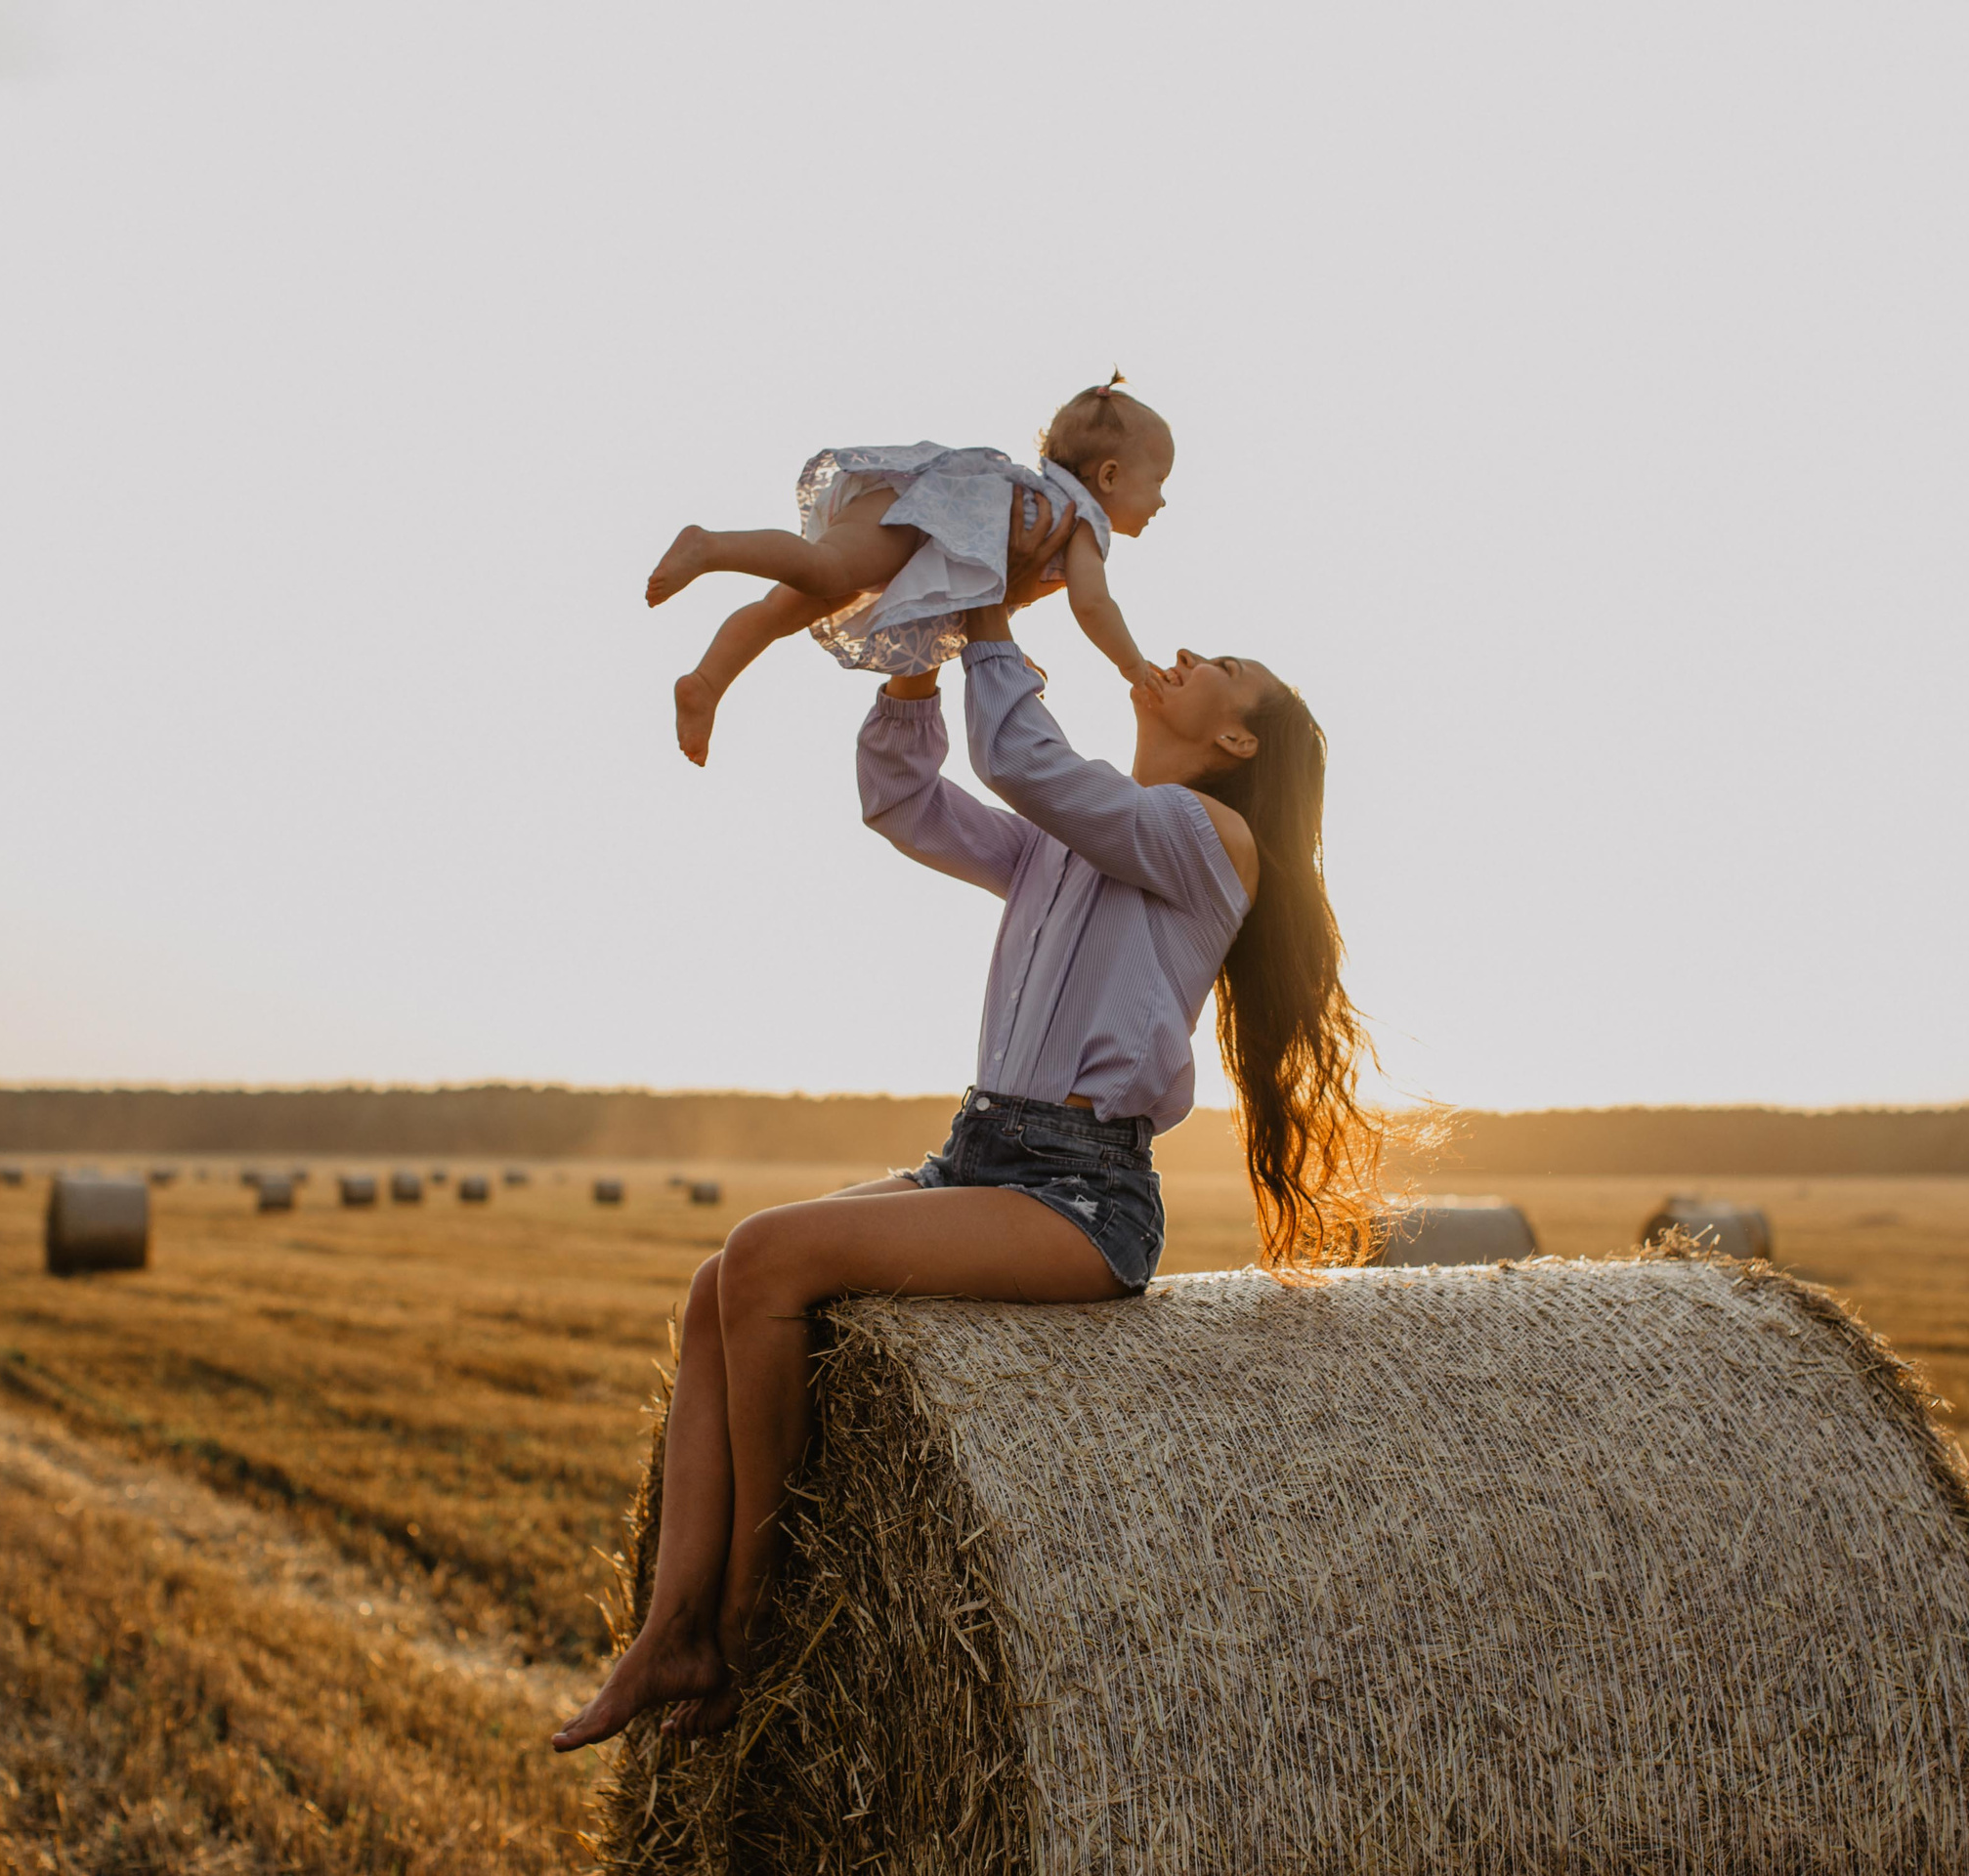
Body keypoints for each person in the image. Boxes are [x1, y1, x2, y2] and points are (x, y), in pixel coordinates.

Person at [554, 499, 1377, 1754]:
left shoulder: (1215, 843)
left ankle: (749, 1615)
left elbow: (1028, 768)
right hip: (980, 1156)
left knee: (772, 1257)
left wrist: (992, 610)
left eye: (1223, 663)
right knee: (720, 1281)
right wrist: (912, 665)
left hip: (1079, 1200)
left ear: (1231, 734)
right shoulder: (1079, 833)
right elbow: (907, 804)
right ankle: (669, 1629)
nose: (1188, 651)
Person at [655, 375, 1173, 766]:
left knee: (787, 606)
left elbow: (978, 588)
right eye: (1157, 482)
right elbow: (1093, 604)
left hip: (914, 518)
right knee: (823, 570)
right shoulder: (1081, 521)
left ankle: (706, 681)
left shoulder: (1047, 499)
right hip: (917, 522)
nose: (1162, 501)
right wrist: (1134, 666)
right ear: (1109, 475)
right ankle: (710, 547)